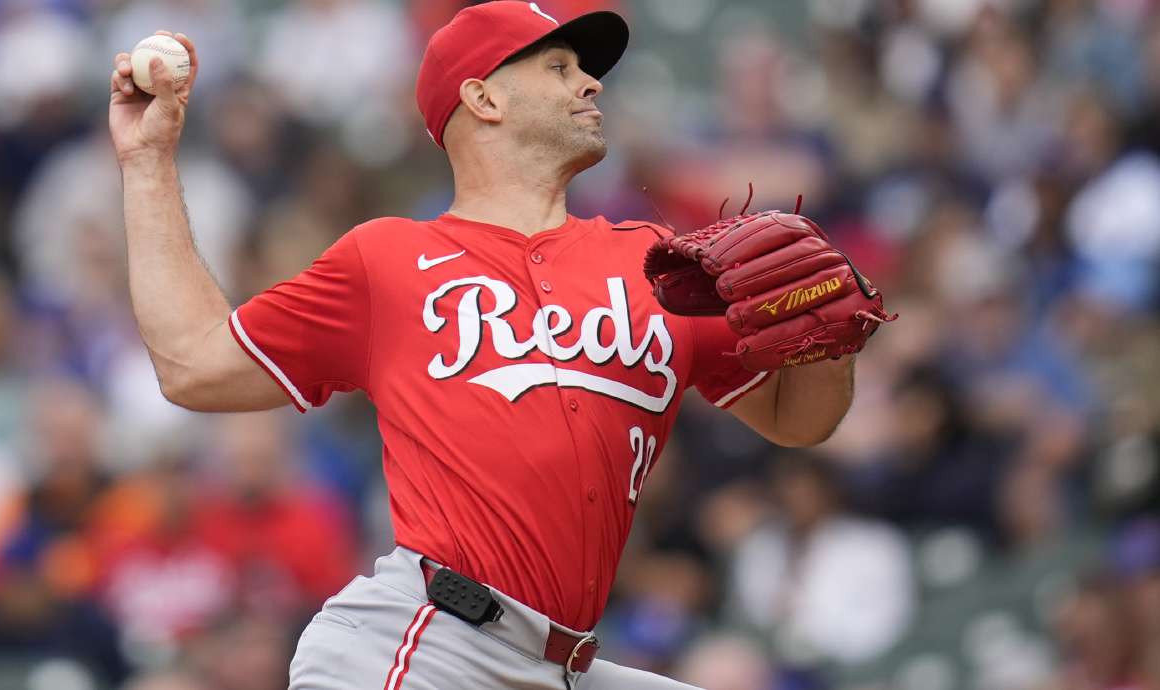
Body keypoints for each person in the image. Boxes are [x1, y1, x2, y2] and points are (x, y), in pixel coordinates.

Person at [107, 3, 862, 688]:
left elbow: (800, 420)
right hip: (427, 644)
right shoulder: (389, 261)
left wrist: (832, 335)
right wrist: (147, 164)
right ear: (483, 97)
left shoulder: (658, 264)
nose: (591, 86)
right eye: (560, 68)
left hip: (568, 662)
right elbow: (195, 364)